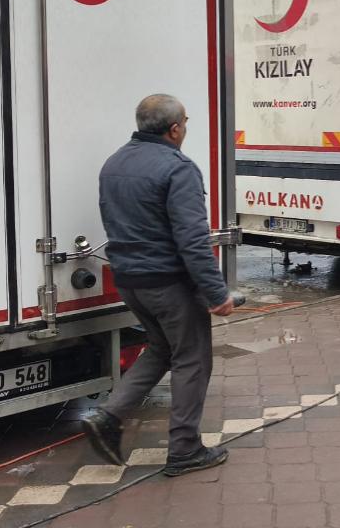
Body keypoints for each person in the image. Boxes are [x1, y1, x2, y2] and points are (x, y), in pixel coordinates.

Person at [83, 94, 235, 477]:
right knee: (193, 359)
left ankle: (108, 416)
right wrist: (217, 295)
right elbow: (193, 240)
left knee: (161, 349)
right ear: (175, 129)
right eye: (186, 122)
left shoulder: (114, 163)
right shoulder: (177, 169)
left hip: (130, 281)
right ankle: (184, 449)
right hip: (169, 284)